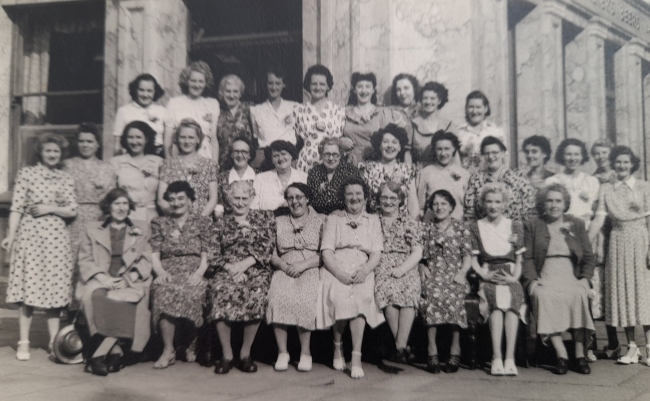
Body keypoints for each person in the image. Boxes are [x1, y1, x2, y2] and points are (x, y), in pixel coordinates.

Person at [2, 134, 78, 361]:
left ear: (61, 153)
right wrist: (11, 235)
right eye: (48, 151)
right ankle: (23, 341)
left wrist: (48, 208)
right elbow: (16, 207)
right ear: (40, 153)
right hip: (31, 237)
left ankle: (55, 342)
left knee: (54, 291)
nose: (53, 155)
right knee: (28, 290)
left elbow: (72, 210)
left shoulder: (65, 178)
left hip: (56, 240)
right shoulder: (27, 174)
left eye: (56, 151)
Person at [76, 188, 152, 376]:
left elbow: (146, 258)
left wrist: (131, 277)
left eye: (125, 203)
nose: (121, 208)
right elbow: (85, 260)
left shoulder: (141, 228)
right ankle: (116, 352)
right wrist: (104, 278)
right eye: (117, 203)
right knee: (96, 296)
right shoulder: (92, 229)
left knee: (129, 300)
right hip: (101, 278)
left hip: (129, 279)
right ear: (108, 207)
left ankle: (98, 355)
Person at [523, 183, 595, 375]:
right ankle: (561, 354)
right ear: (543, 203)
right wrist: (531, 281)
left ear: (565, 204)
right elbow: (527, 257)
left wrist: (585, 279)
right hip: (545, 273)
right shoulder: (533, 224)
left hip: (571, 274)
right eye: (549, 201)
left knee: (579, 294)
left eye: (558, 201)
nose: (553, 205)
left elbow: (588, 256)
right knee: (543, 295)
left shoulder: (576, 224)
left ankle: (580, 355)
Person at [588, 146, 650, 366]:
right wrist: (586, 243)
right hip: (618, 241)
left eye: (626, 162)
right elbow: (598, 218)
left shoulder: (644, 186)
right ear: (613, 164)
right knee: (624, 293)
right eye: (618, 162)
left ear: (632, 164)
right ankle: (632, 347)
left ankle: (649, 347)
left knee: (643, 292)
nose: (622, 165)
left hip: (641, 240)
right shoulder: (606, 188)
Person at [317, 177, 385, 379]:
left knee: (361, 298)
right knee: (338, 297)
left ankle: (356, 356)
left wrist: (365, 270)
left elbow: (376, 253)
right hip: (336, 265)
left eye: (358, 194)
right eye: (349, 194)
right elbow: (327, 251)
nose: (354, 198)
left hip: (363, 265)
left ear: (365, 197)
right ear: (343, 197)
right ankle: (337, 347)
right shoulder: (334, 219)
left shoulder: (373, 220)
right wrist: (338, 272)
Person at [208, 181, 276, 374]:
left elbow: (267, 245)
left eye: (244, 198)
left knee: (257, 291)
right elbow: (213, 252)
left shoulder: (264, 218)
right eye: (235, 198)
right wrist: (231, 269)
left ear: (252, 198)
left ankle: (245, 354)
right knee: (220, 290)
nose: (239, 202)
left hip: (255, 267)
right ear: (229, 199)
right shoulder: (220, 222)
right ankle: (227, 355)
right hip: (227, 269)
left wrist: (244, 265)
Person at [150, 181, 211, 369]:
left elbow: (207, 251)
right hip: (168, 269)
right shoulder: (160, 222)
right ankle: (168, 350)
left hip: (194, 269)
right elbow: (154, 251)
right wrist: (160, 272)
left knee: (195, 291)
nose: (176, 203)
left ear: (190, 200)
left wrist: (200, 273)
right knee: (164, 291)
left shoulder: (202, 222)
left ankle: (190, 344)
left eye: (181, 198)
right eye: (172, 199)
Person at [469, 182, 527, 376]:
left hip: (510, 274)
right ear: (483, 204)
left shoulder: (515, 225)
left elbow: (519, 259)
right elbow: (474, 259)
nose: (493, 206)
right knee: (495, 303)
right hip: (488, 273)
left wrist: (514, 278)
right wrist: (483, 275)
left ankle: (510, 358)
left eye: (497, 202)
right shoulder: (476, 226)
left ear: (504, 204)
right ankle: (497, 357)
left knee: (512, 304)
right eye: (489, 201)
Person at [267, 183, 325, 372]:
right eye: (290, 198)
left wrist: (303, 265)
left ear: (307, 198)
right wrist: (284, 266)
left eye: (299, 197)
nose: (295, 202)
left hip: (310, 265)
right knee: (278, 294)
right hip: (285, 266)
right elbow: (272, 253)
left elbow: (325, 253)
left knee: (306, 297)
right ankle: (282, 352)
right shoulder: (279, 221)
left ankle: (305, 353)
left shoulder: (321, 220)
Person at [419, 189, 472, 373]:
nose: (439, 207)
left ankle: (455, 347)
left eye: (443, 204)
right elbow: (419, 253)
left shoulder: (460, 228)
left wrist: (463, 272)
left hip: (454, 272)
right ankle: (431, 348)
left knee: (455, 296)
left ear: (451, 207)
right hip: (433, 271)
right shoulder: (426, 227)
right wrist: (421, 266)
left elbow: (467, 256)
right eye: (435, 204)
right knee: (431, 294)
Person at [64, 123, 116, 309]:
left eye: (89, 141)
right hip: (72, 219)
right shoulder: (67, 165)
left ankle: (90, 307)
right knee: (71, 260)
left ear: (97, 144)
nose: (85, 145)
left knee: (93, 260)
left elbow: (111, 198)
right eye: (81, 141)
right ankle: (68, 308)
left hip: (98, 219)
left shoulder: (107, 168)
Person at [374, 182, 423, 364]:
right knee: (388, 292)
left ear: (400, 200)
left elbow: (417, 251)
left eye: (393, 198)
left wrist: (403, 269)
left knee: (409, 291)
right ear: (379, 200)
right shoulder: (372, 221)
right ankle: (403, 347)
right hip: (382, 263)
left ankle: (399, 347)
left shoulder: (409, 221)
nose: (388, 202)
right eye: (384, 197)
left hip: (406, 264)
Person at [342, 72, 411, 166]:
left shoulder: (383, 113)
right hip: (350, 162)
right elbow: (334, 133)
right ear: (354, 90)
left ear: (373, 90)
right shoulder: (345, 112)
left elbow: (399, 139)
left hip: (375, 163)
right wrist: (340, 141)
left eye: (368, 86)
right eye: (360, 86)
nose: (363, 91)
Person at [590, 139, 619, 358]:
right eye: (597, 153)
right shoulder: (591, 179)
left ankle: (615, 340)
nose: (601, 157)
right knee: (598, 287)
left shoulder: (618, 177)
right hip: (598, 234)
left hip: (617, 234)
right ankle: (594, 340)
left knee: (613, 287)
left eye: (604, 153)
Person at [464, 136, 536, 223]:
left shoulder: (519, 177)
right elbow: (470, 214)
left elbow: (529, 209)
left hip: (515, 232)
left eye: (495, 152)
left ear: (502, 153)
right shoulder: (475, 179)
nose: (490, 156)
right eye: (487, 153)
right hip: (485, 232)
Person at [158, 119, 218, 217]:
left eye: (191, 137)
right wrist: (178, 219)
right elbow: (161, 199)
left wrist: (198, 220)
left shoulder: (209, 165)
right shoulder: (168, 164)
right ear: (177, 139)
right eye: (182, 137)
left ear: (198, 139)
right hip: (175, 221)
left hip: (201, 222)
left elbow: (213, 199)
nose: (186, 141)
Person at [294, 64, 345, 173]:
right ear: (308, 85)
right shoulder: (299, 110)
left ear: (328, 86)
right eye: (314, 84)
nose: (318, 87)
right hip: (306, 163)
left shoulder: (338, 110)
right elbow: (297, 140)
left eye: (322, 84)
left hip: (331, 162)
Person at [358, 124, 418, 217]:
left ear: (400, 147)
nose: (390, 146)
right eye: (385, 142)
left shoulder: (407, 170)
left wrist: (413, 226)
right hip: (373, 223)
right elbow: (361, 201)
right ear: (379, 146)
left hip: (401, 224)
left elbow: (413, 203)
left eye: (394, 142)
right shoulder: (367, 169)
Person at [165, 61, 220, 161]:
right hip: (179, 156)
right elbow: (168, 137)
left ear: (206, 83)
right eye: (193, 81)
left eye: (201, 81)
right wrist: (169, 161)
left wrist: (215, 164)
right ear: (186, 81)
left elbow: (213, 139)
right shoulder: (174, 103)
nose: (197, 85)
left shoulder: (212, 104)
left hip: (205, 155)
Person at [111, 121, 164, 223]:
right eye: (130, 137)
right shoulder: (116, 162)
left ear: (147, 139)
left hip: (152, 216)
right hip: (125, 216)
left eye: (139, 137)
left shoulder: (158, 162)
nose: (134, 142)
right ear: (125, 140)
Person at [250, 67, 300, 169]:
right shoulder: (255, 110)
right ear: (265, 84)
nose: (274, 87)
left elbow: (298, 135)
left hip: (289, 157)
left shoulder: (294, 107)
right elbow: (256, 136)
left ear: (284, 84)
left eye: (278, 83)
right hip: (266, 159)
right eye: (270, 83)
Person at [545, 138, 599, 227]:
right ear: (562, 156)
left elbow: (596, 212)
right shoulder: (552, 181)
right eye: (568, 154)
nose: (572, 158)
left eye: (576, 154)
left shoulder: (592, 181)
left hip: (586, 229)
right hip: (560, 228)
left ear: (582, 156)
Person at [417, 130, 469, 222]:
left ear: (453, 149)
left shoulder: (464, 174)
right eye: (439, 149)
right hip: (431, 226)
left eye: (446, 148)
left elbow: (468, 207)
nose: (443, 153)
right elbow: (420, 207)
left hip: (458, 226)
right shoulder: (425, 173)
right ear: (434, 150)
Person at [113, 74, 168, 157]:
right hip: (132, 155)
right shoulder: (123, 111)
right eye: (141, 90)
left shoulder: (162, 111)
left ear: (155, 92)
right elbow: (117, 144)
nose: (145, 95)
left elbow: (168, 140)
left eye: (149, 91)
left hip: (157, 155)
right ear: (135, 90)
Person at [457, 90, 507, 174]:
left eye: (478, 107)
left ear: (486, 109)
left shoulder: (496, 131)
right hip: (467, 179)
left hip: (492, 179)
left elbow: (505, 160)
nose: (474, 111)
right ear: (466, 109)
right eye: (471, 107)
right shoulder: (459, 132)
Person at [307, 137, 361, 214]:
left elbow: (358, 198)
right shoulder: (314, 172)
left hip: (345, 216)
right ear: (321, 155)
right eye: (327, 154)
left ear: (340, 155)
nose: (331, 158)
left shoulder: (351, 171)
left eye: (335, 154)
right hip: (320, 216)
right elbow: (311, 201)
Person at [251, 140, 307, 211]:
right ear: (271, 159)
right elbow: (253, 207)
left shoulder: (304, 178)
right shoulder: (260, 179)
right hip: (268, 220)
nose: (280, 158)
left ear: (291, 156)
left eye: (283, 154)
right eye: (276, 156)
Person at [410, 82, 455, 167]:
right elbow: (407, 153)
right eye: (425, 98)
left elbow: (455, 155)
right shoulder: (413, 124)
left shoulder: (449, 125)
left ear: (439, 100)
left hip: (446, 172)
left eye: (432, 98)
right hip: (421, 171)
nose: (428, 102)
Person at [216, 74, 254, 171]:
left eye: (235, 91)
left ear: (240, 93)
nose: (231, 95)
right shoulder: (217, 111)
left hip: (245, 163)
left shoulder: (250, 109)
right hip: (223, 165)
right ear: (222, 93)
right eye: (228, 91)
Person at [216, 136, 257, 217]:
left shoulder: (259, 176)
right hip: (229, 223)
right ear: (231, 154)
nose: (239, 155)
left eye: (244, 152)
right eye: (236, 151)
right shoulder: (221, 178)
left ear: (250, 155)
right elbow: (219, 209)